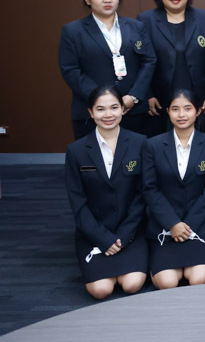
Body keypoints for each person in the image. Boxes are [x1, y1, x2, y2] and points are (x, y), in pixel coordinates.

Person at [65, 86, 148, 299]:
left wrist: (124, 236)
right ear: (91, 112)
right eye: (100, 109)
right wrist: (103, 238)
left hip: (130, 231)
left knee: (132, 284)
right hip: (93, 233)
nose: (108, 114)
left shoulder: (140, 143)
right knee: (101, 290)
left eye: (114, 107)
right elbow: (78, 203)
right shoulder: (76, 151)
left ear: (123, 109)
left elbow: (143, 195)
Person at [142, 89, 205, 289]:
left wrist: (188, 226)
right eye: (175, 109)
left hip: (199, 226)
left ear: (198, 111)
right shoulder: (153, 145)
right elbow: (150, 189)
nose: (181, 115)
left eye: (187, 109)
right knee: (167, 282)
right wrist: (173, 224)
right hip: (165, 227)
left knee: (198, 280)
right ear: (168, 111)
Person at [59, 0, 156, 139]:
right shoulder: (73, 31)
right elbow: (70, 70)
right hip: (92, 112)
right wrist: (102, 100)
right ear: (87, 0)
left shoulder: (136, 26)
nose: (107, 0)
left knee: (134, 154)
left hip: (132, 110)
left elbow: (149, 61)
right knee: (93, 155)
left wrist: (134, 96)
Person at [138, 0, 205, 136]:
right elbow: (140, 61)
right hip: (161, 103)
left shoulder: (204, 18)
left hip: (201, 102)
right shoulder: (146, 20)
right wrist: (147, 95)